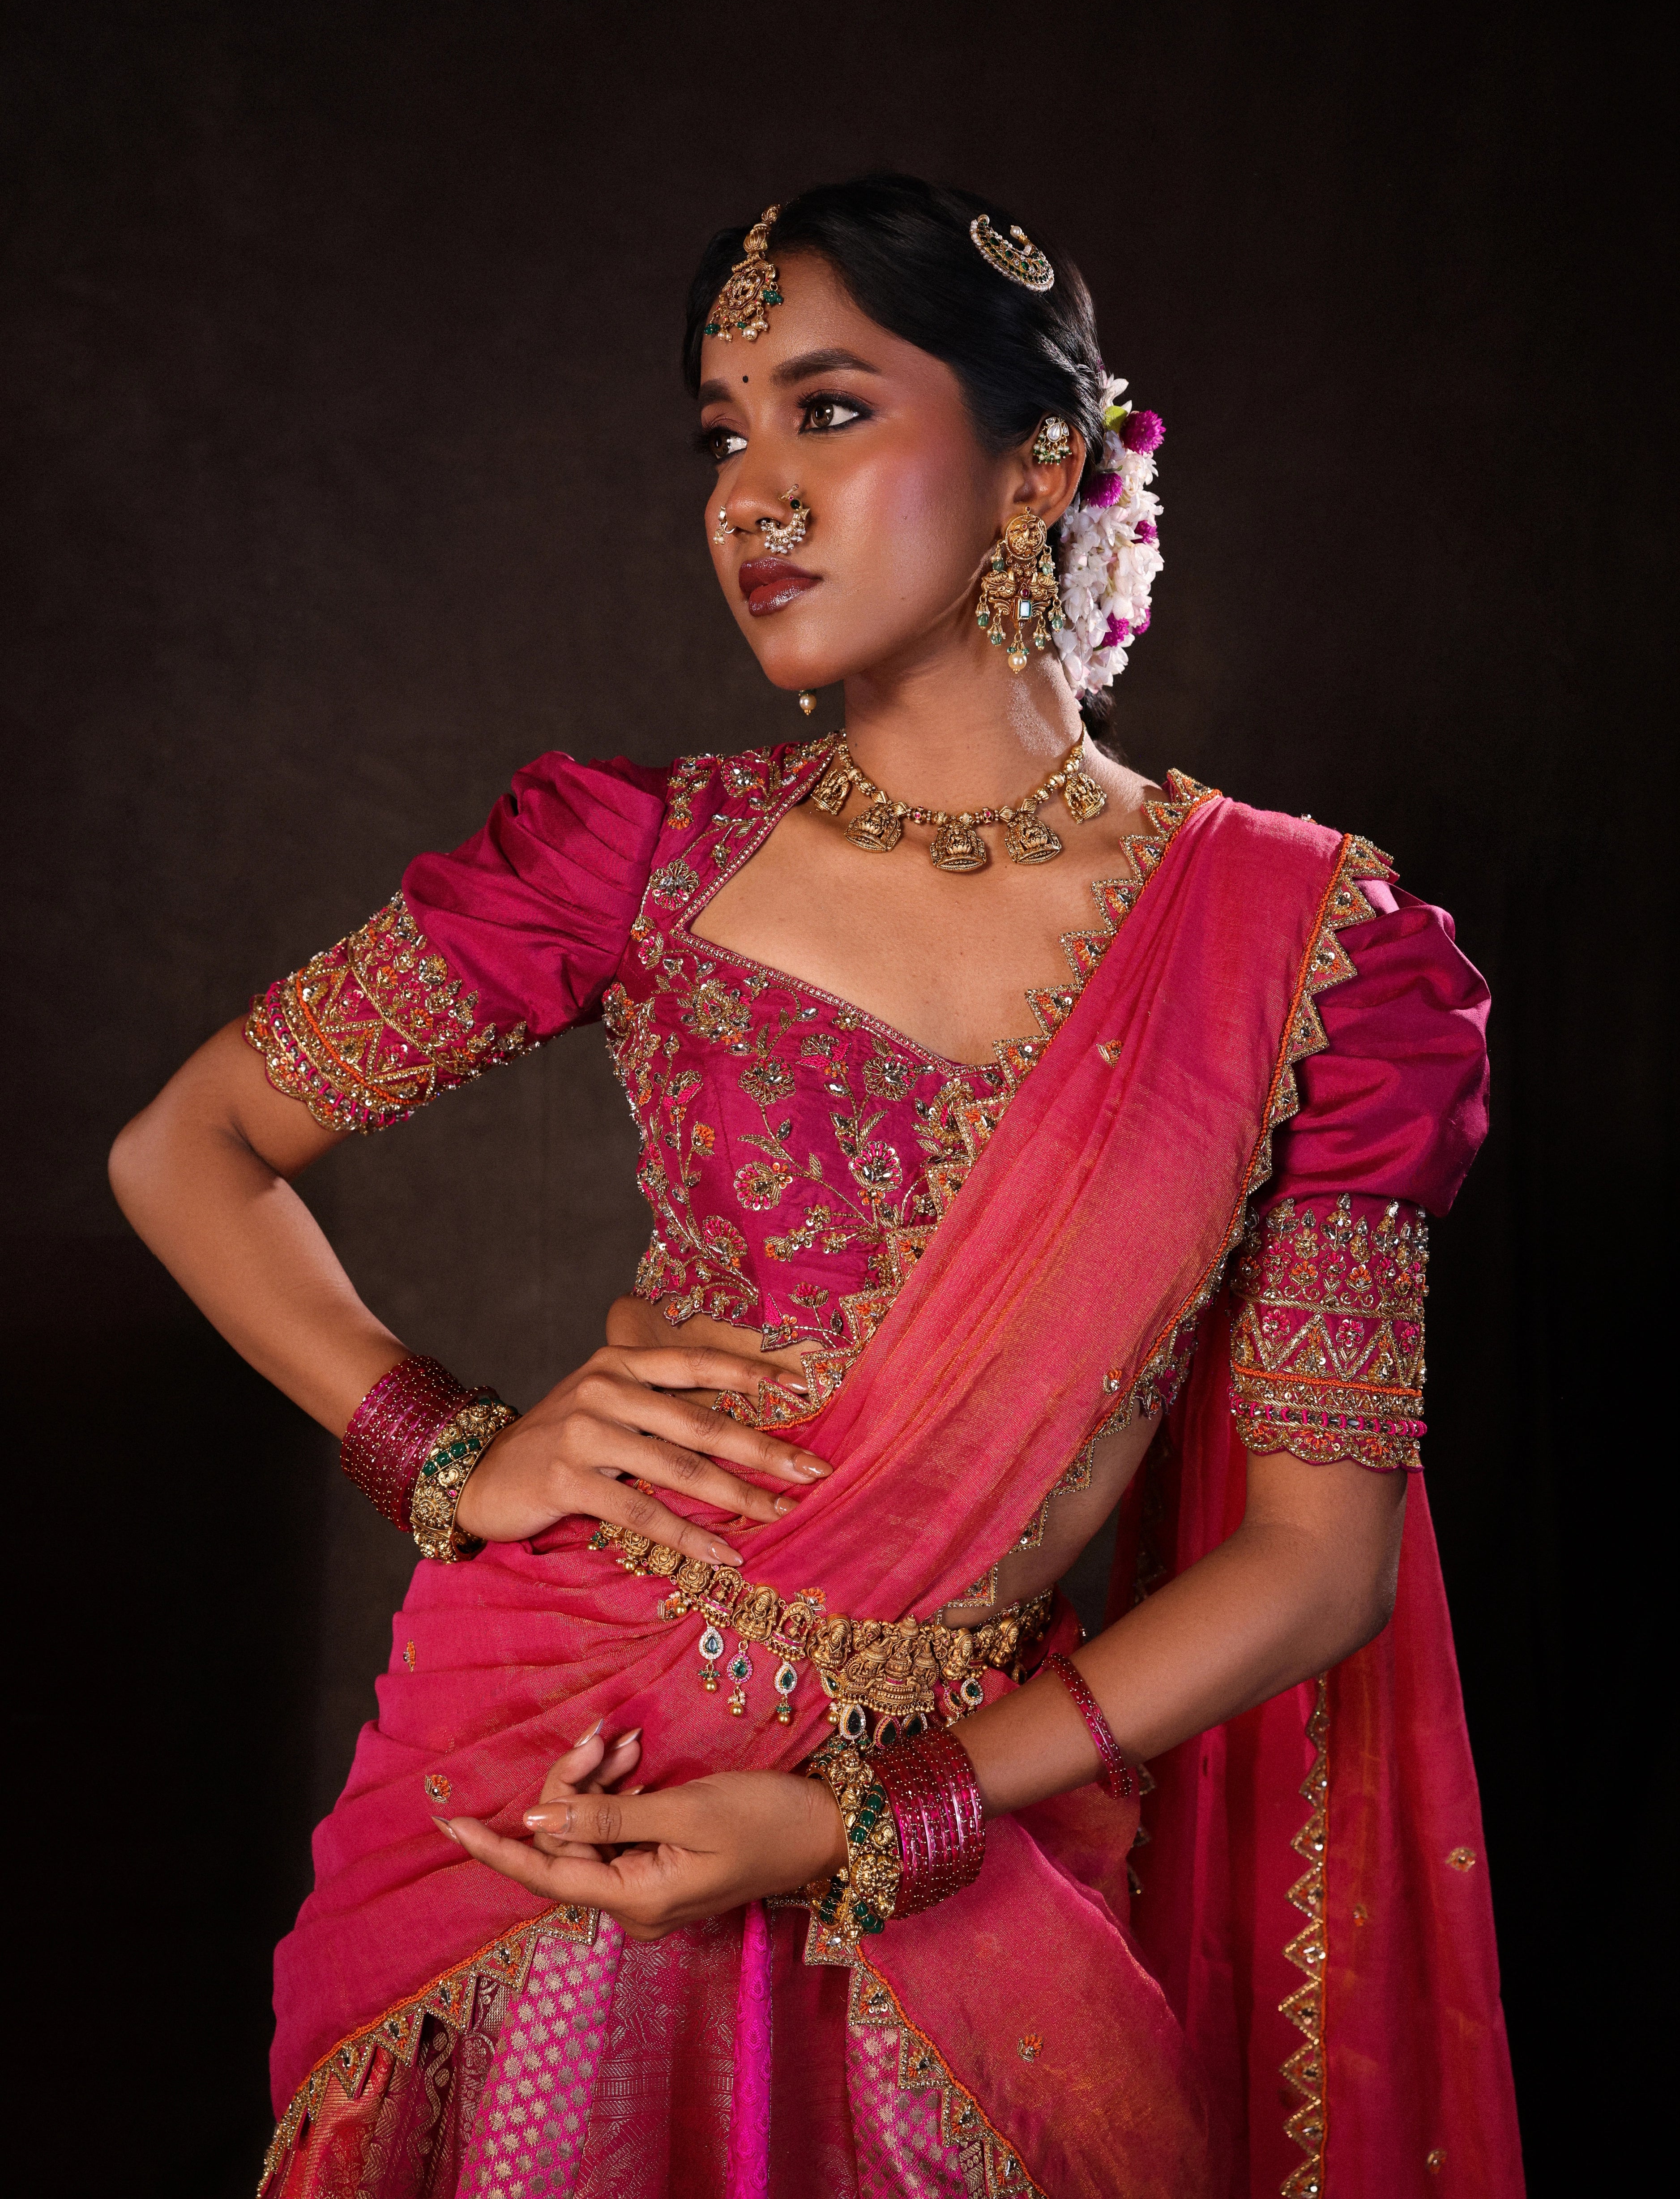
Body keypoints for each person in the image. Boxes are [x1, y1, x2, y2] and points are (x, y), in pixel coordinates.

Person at [110, 175, 1522, 2199]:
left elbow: (1322, 1557)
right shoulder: (639, 859)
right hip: (569, 1765)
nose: (751, 493)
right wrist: (444, 1444)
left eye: (829, 411)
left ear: (1040, 468)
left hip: (962, 1800)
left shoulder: (1318, 956)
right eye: (720, 431)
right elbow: (189, 1146)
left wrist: (896, 1814)